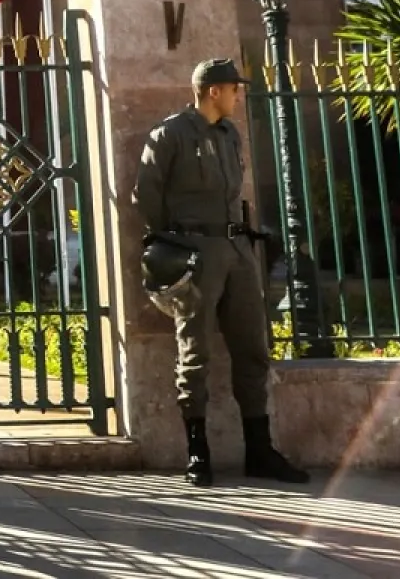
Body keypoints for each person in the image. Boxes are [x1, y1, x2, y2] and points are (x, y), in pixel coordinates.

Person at [132, 58, 310, 487]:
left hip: (238, 250)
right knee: (194, 351)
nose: (237, 94)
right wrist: (171, 243)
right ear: (213, 90)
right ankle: (198, 451)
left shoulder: (230, 134)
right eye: (233, 88)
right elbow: (146, 196)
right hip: (195, 252)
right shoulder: (170, 134)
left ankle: (260, 451)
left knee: (252, 348)